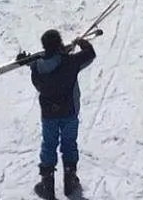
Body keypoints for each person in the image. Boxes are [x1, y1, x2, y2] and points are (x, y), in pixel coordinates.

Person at [23, 28, 96, 198]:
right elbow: (90, 54)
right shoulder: (70, 62)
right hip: (69, 112)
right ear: (60, 44)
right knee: (69, 144)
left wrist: (29, 62)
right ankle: (70, 181)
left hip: (49, 115)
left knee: (49, 145)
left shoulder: (37, 68)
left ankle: (47, 183)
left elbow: (38, 77)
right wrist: (81, 43)